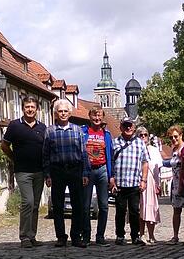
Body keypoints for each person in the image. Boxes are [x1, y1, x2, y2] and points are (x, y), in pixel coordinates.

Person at [43, 99, 90, 248]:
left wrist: (85, 173)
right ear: (56, 113)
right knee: (58, 205)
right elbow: (45, 154)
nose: (63, 114)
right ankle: (61, 237)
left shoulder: (77, 130)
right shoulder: (49, 131)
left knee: (78, 204)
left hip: (75, 169)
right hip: (57, 170)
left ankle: (76, 236)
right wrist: (47, 174)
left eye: (65, 111)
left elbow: (84, 153)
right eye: (60, 111)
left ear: (70, 113)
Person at [1, 96, 47, 248]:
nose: (30, 109)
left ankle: (32, 236)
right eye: (27, 106)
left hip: (39, 171)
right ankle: (24, 237)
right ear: (23, 108)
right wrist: (15, 159)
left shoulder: (42, 127)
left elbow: (46, 150)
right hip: (23, 171)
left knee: (35, 205)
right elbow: (4, 146)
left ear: (37, 109)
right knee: (27, 201)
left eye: (33, 107)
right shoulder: (15, 125)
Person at [111, 117, 148, 246]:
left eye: (130, 125)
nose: (128, 128)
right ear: (121, 127)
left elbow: (145, 162)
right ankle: (120, 235)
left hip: (134, 182)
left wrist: (143, 180)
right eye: (125, 125)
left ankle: (135, 235)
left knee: (134, 210)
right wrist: (112, 180)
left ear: (134, 127)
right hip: (120, 182)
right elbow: (111, 162)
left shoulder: (140, 143)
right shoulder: (114, 143)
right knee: (120, 210)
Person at [81, 106, 114, 247]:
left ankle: (100, 236)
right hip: (88, 171)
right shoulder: (83, 132)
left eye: (99, 116)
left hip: (102, 170)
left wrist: (111, 176)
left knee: (104, 205)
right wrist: (82, 172)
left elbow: (111, 156)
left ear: (102, 117)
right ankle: (86, 236)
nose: (97, 118)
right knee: (85, 205)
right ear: (90, 116)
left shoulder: (106, 134)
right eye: (94, 116)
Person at [137, 126, 162, 243]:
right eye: (140, 135)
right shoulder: (135, 148)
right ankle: (140, 234)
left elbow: (158, 169)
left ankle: (151, 235)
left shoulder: (154, 150)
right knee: (139, 208)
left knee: (150, 209)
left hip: (151, 182)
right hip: (138, 181)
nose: (143, 137)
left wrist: (158, 184)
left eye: (145, 135)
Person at [163, 125, 184, 244]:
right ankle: (175, 236)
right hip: (176, 184)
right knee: (176, 211)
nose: (174, 139)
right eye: (171, 137)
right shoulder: (174, 150)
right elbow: (170, 163)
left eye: (176, 136)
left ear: (181, 135)